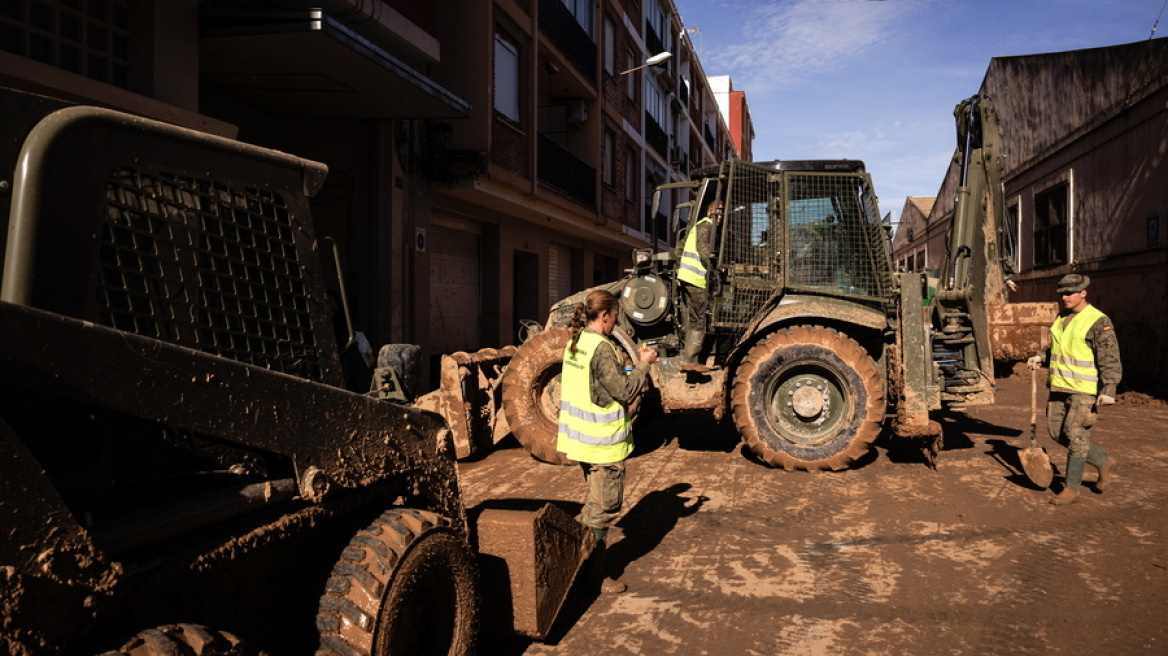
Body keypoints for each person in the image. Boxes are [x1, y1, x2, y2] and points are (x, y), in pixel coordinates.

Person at [557, 289, 658, 593]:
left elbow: (594, 385)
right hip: (603, 445)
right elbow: (624, 390)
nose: (616, 323)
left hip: (582, 441)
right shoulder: (601, 348)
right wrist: (644, 364)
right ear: (604, 316)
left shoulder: (576, 342)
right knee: (602, 511)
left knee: (594, 503)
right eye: (615, 317)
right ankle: (589, 576)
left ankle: (576, 565)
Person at [1027, 273, 1122, 505]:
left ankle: (1072, 489)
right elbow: (1061, 348)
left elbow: (1109, 357)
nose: (1065, 297)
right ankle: (1104, 461)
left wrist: (1109, 388)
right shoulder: (1061, 317)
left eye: (1070, 293)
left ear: (1083, 293)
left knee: (1076, 434)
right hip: (1059, 386)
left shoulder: (1098, 321)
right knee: (1056, 432)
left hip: (1084, 389)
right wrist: (1042, 358)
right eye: (1062, 293)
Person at [676, 200, 721, 365]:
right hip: (695, 279)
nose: (720, 218)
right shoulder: (706, 226)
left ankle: (690, 360)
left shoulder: (698, 226)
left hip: (689, 278)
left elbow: (679, 250)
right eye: (718, 213)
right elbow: (704, 253)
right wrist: (719, 266)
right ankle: (691, 361)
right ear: (710, 212)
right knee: (701, 319)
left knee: (695, 319)